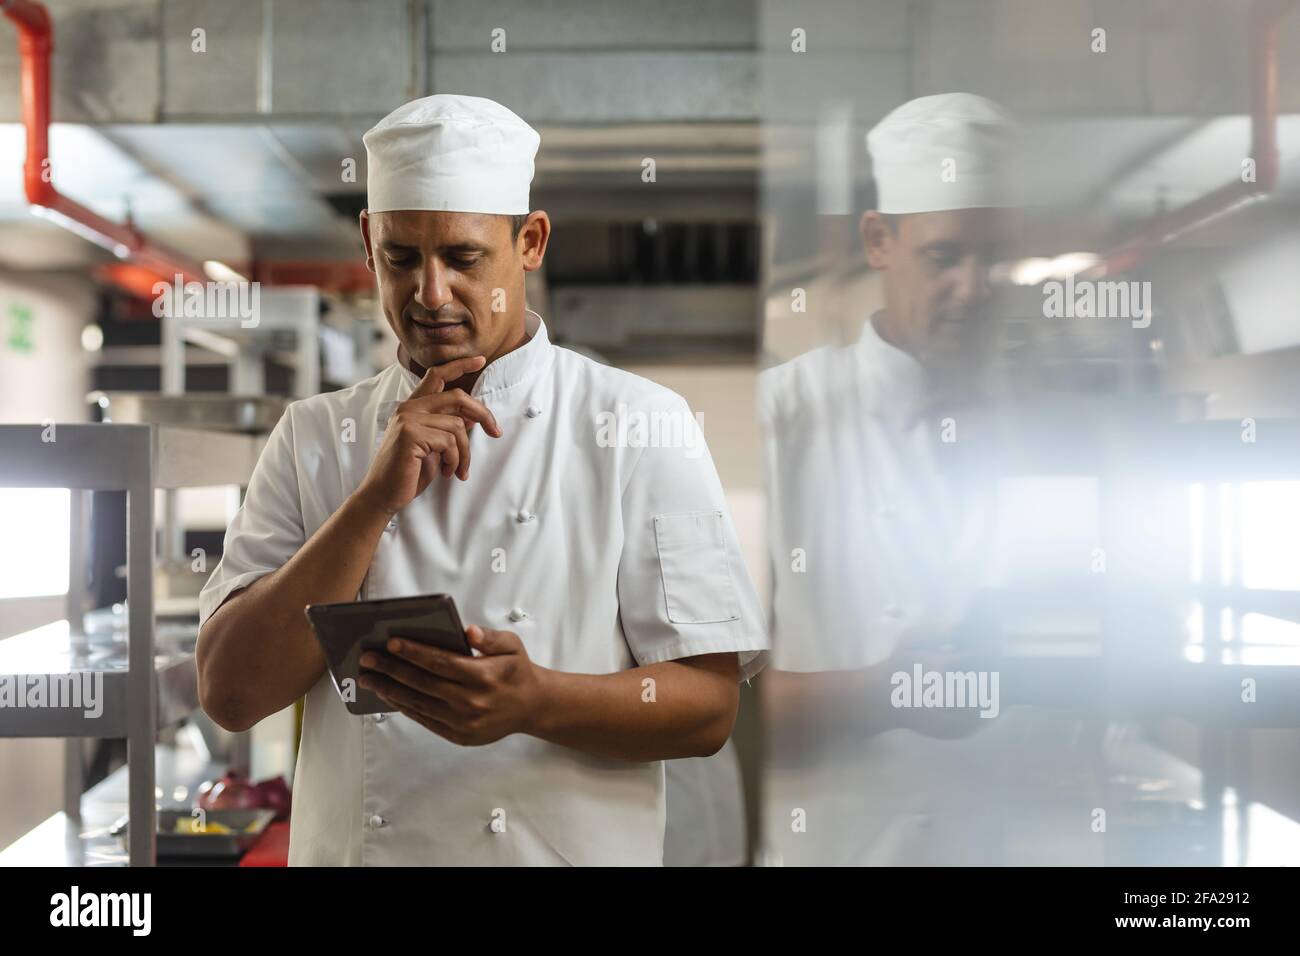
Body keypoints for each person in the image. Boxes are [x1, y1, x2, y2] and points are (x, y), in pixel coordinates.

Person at [196, 94, 768, 866]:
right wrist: (369, 506)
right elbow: (231, 694)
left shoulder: (639, 424)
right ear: (368, 243)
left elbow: (708, 707)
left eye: (463, 258)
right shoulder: (314, 436)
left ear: (529, 242)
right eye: (401, 258)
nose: (430, 294)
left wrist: (536, 701)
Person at [758, 93, 1048, 865]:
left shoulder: (1043, 434)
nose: (976, 288)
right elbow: (712, 709)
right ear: (880, 241)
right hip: (836, 847)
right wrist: (884, 694)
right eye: (946, 256)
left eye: (996, 258)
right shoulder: (783, 418)